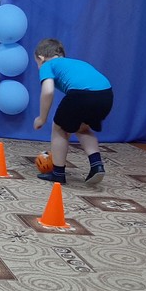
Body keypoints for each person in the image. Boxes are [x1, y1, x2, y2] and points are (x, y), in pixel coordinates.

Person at [32, 38, 113, 184]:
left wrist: (42, 118)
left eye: (37, 63)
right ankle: (97, 165)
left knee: (59, 129)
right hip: (106, 95)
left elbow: (48, 91)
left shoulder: (47, 64)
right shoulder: (76, 63)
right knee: (82, 128)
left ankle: (58, 174)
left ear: (41, 58)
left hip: (82, 94)